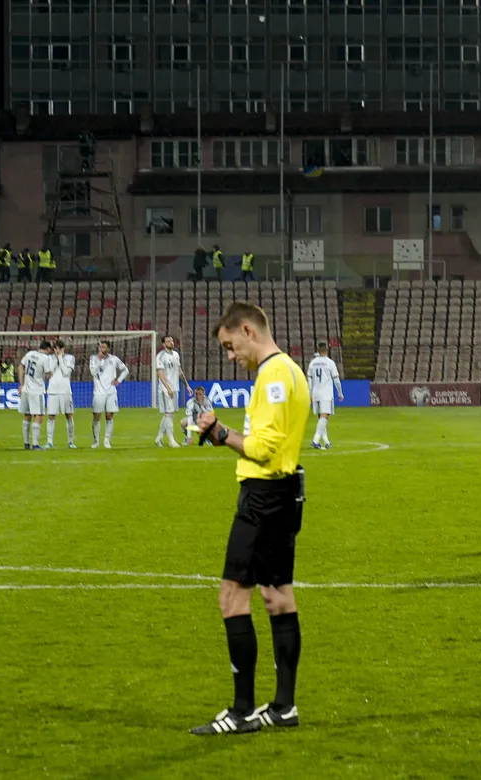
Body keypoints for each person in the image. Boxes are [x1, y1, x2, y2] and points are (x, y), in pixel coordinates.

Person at [189, 302, 311, 735]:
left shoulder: (275, 376)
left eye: (230, 346)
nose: (230, 355)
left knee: (231, 598)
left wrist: (220, 433)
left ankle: (241, 713)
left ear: (247, 330)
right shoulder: (289, 370)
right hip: (283, 494)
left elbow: (264, 449)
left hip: (263, 499)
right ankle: (283, 707)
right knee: (278, 597)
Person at [90, 340, 128, 449]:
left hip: (111, 392)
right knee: (96, 416)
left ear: (108, 348)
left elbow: (125, 370)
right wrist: (99, 361)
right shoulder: (93, 359)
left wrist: (119, 380)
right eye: (100, 347)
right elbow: (93, 372)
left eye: (104, 347)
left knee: (109, 416)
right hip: (98, 392)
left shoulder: (114, 359)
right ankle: (96, 441)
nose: (101, 349)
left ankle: (107, 441)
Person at [307, 342, 344, 450]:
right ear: (327, 350)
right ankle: (315, 440)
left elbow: (309, 378)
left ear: (318, 351)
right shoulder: (330, 363)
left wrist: (310, 392)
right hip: (326, 393)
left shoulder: (313, 363)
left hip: (315, 393)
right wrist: (340, 393)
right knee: (324, 416)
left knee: (320, 418)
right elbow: (336, 379)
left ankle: (327, 442)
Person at [19, 341, 53, 450]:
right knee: (39, 416)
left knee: (27, 415)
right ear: (48, 349)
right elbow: (48, 375)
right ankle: (35, 444)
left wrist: (21, 384)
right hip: (37, 391)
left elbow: (20, 367)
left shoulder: (29, 354)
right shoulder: (45, 358)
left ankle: (26, 443)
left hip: (26, 390)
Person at [155, 335, 186, 448]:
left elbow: (179, 371)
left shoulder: (176, 355)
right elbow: (160, 373)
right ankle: (172, 441)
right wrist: (168, 388)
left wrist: (186, 385)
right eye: (168, 341)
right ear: (163, 344)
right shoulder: (160, 356)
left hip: (175, 388)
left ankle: (159, 438)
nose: (171, 342)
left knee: (169, 414)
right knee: (169, 414)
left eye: (172, 340)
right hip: (165, 389)